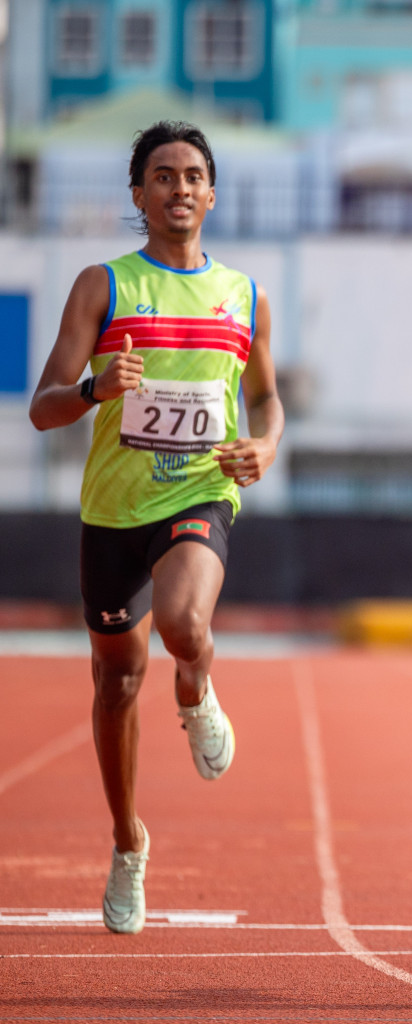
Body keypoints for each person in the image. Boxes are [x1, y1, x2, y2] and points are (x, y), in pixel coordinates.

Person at [28, 121, 283, 935]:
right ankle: (129, 840)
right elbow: (43, 407)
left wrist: (265, 446)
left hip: (199, 496)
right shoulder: (101, 285)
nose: (180, 188)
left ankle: (199, 686)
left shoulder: (245, 296)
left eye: (194, 176)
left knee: (183, 623)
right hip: (111, 514)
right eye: (163, 176)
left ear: (212, 193)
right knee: (115, 684)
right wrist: (96, 388)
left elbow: (269, 399)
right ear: (138, 195)